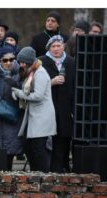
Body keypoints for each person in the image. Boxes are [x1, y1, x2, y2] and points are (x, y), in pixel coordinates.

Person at [11, 47, 56, 173]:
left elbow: (38, 96)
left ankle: (44, 175)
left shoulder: (40, 73)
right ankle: (36, 173)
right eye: (20, 62)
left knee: (38, 149)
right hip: (34, 116)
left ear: (29, 62)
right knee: (28, 146)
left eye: (23, 62)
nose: (21, 65)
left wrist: (19, 93)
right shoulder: (32, 72)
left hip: (42, 117)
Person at [38, 35, 75, 173]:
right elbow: (35, 84)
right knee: (47, 142)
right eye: (53, 46)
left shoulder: (71, 62)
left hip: (66, 110)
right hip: (48, 108)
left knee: (63, 141)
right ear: (49, 48)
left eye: (58, 46)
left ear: (63, 46)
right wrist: (51, 82)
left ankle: (62, 170)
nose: (56, 49)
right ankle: (49, 171)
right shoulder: (41, 61)